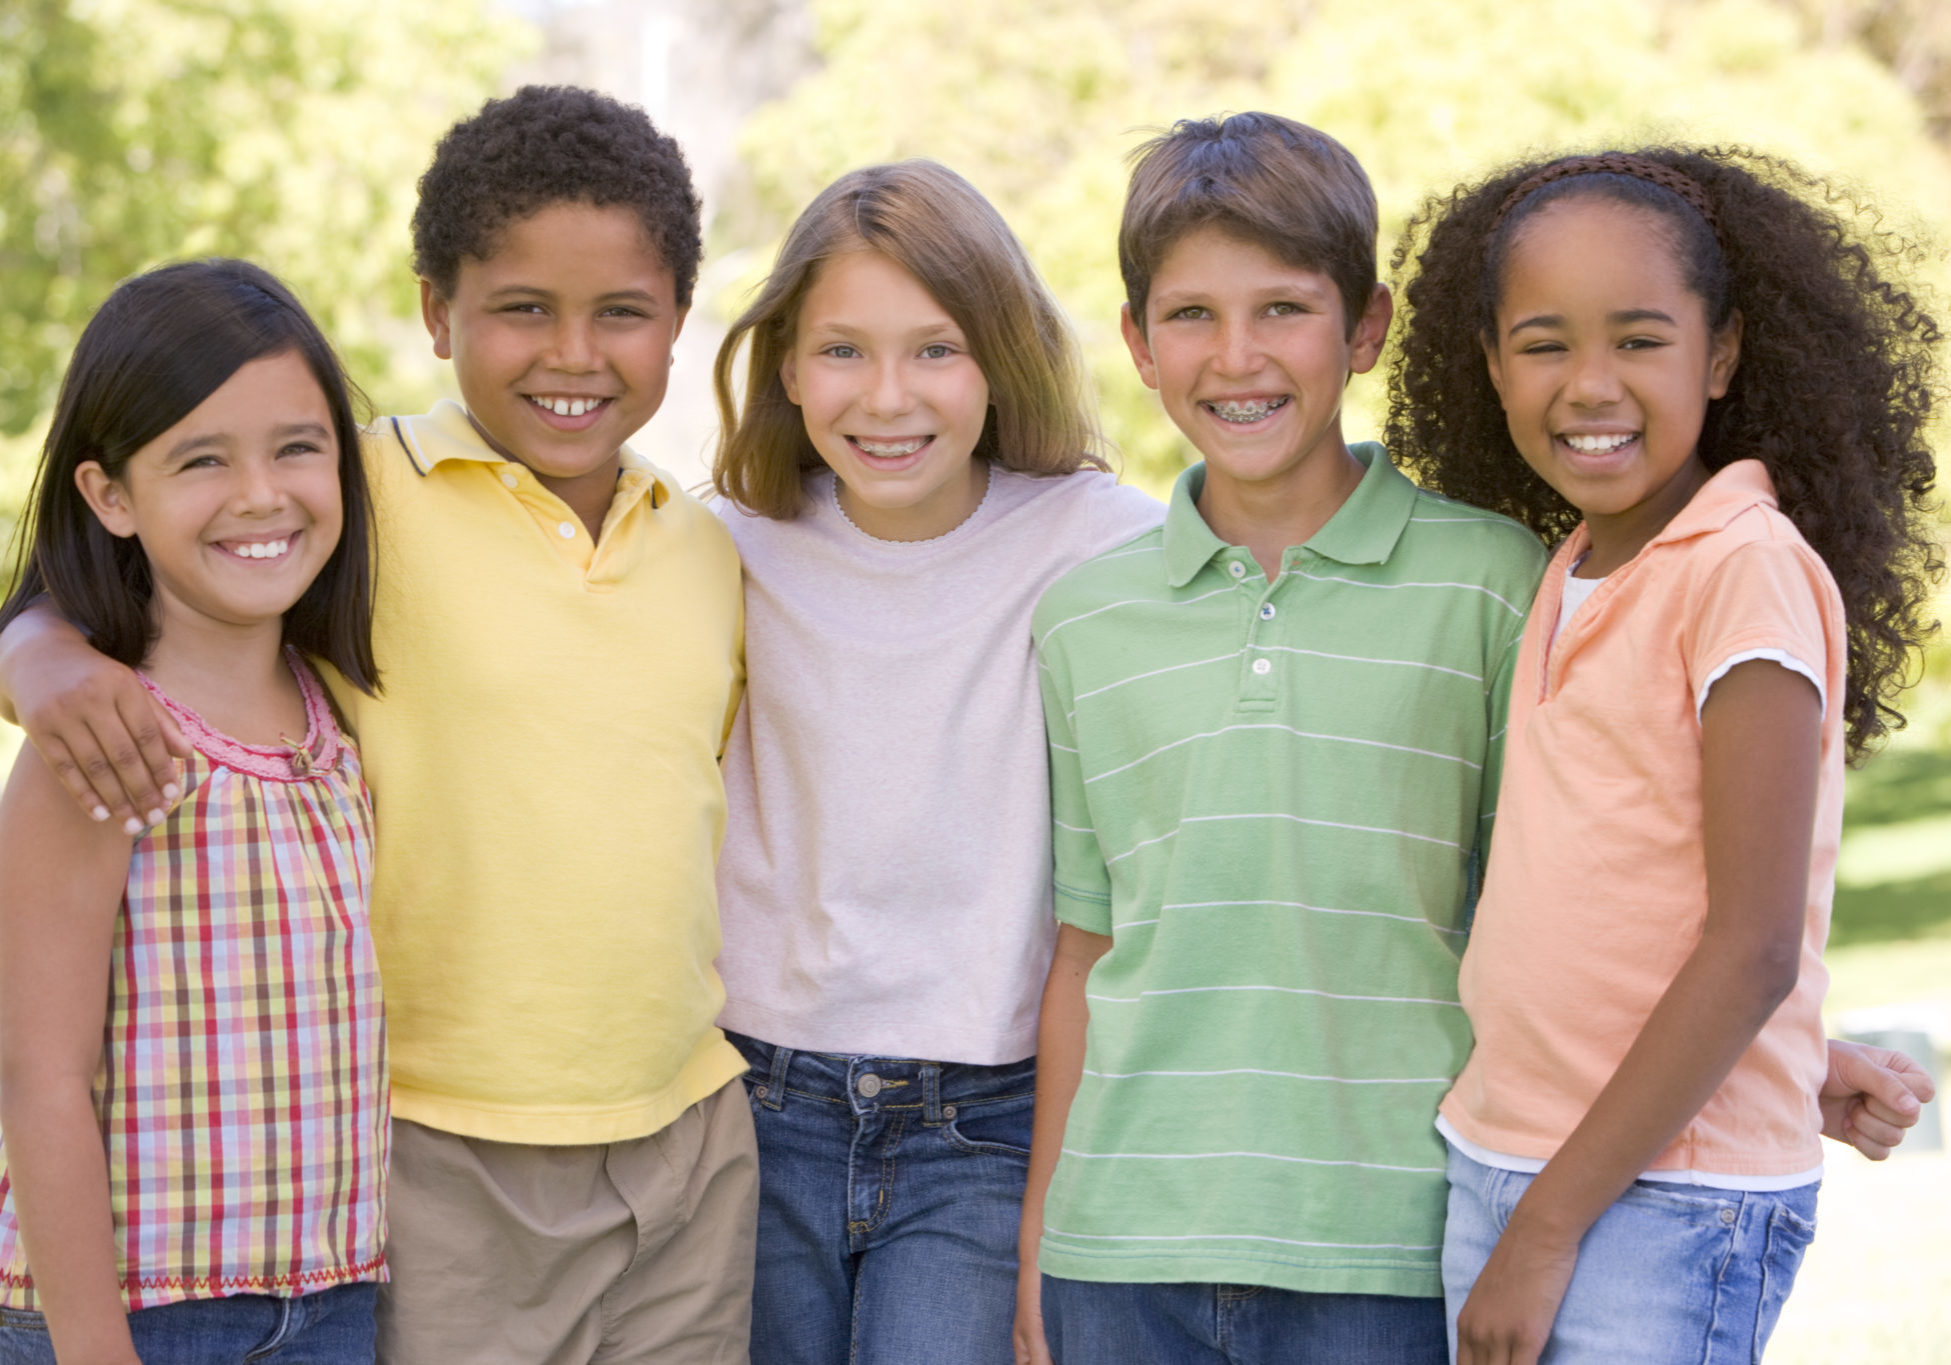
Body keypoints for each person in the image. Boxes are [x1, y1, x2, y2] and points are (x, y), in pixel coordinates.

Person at [1015, 116, 1937, 1365]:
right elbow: (1093, 944)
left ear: (1368, 328)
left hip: (1403, 1225)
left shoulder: (1513, 581)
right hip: (1128, 1239)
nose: (1236, 356)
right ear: (1134, 341)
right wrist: (1039, 1250)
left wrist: (1770, 1048)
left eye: (1283, 308)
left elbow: (1661, 903)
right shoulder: (1089, 615)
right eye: (1189, 316)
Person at [0, 88, 754, 1364]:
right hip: (430, 1155)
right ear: (434, 311)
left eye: (620, 312)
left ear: (680, 320)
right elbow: (148, 567)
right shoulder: (352, 490)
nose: (572, 355)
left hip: (682, 1137)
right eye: (522, 308)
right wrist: (39, 654)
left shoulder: (709, 549)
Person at [1387, 147, 1944, 1364]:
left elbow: (1748, 949)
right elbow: (1614, 901)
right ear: (1488, 365)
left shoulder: (1740, 572)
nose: (1590, 384)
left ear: (1722, 353)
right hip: (1519, 1160)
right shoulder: (1582, 565)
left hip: (1641, 1206)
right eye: (1543, 345)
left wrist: (1539, 1235)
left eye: (1638, 340)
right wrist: (1798, 1060)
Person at [709, 160, 1163, 1365]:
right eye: (843, 350)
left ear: (998, 358)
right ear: (788, 367)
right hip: (754, 1102)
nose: (887, 397)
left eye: (936, 349)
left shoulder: (1100, 541)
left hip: (985, 1119)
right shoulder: (722, 546)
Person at [0, 260, 385, 1363]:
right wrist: (92, 1347)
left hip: (330, 1299)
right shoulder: (105, 740)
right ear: (110, 496)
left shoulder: (333, 717)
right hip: (135, 1314)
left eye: (297, 447)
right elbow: (39, 1076)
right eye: (200, 460)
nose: (261, 494)